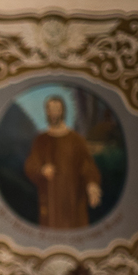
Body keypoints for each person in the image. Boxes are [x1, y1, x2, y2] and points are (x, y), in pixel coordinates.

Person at [23, 96, 102, 229]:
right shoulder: (41, 140)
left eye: (57, 109)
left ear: (63, 111)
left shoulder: (76, 140)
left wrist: (92, 185)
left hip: (74, 199)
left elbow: (87, 166)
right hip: (50, 199)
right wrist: (41, 170)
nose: (54, 113)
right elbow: (30, 165)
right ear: (47, 112)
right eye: (51, 109)